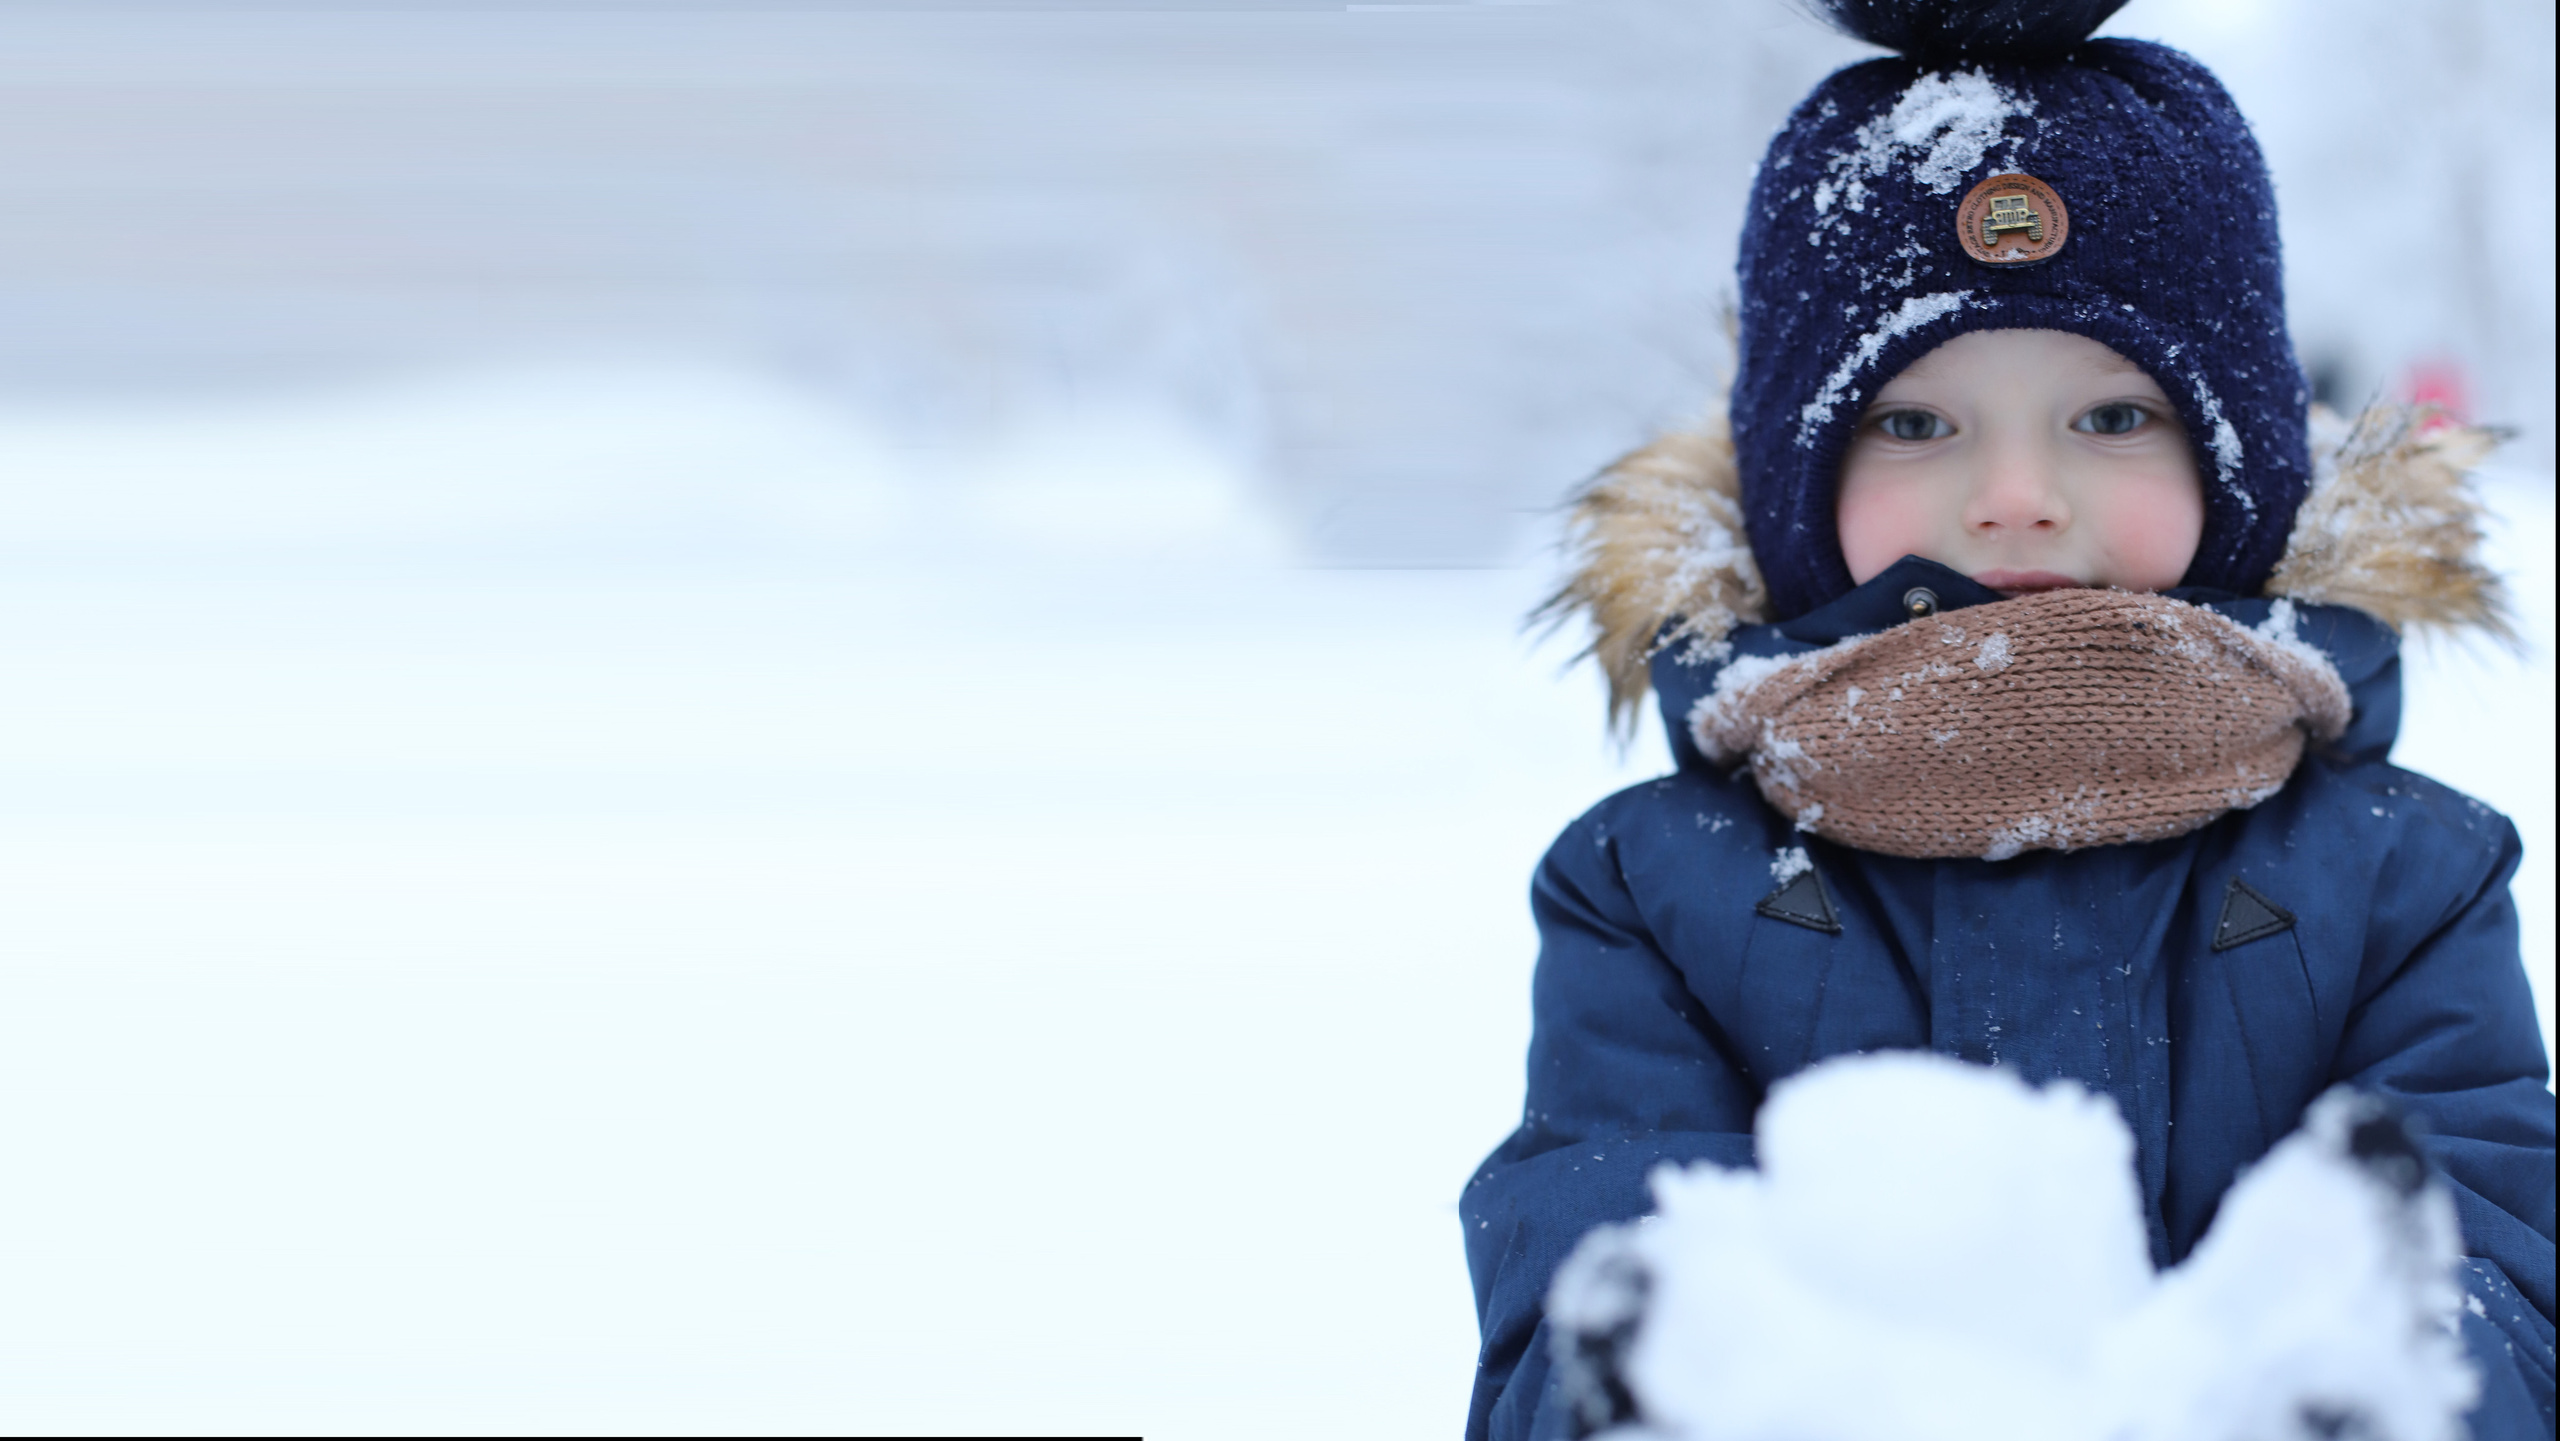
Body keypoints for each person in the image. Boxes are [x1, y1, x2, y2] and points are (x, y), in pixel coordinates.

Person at [1459, 3, 2556, 1437]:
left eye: (2111, 418)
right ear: (1798, 482)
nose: (2019, 493)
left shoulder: (2404, 879)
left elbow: (2498, 1281)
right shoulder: (1655, 894)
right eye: (1918, 424)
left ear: (2246, 470)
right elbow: (1582, 1297)